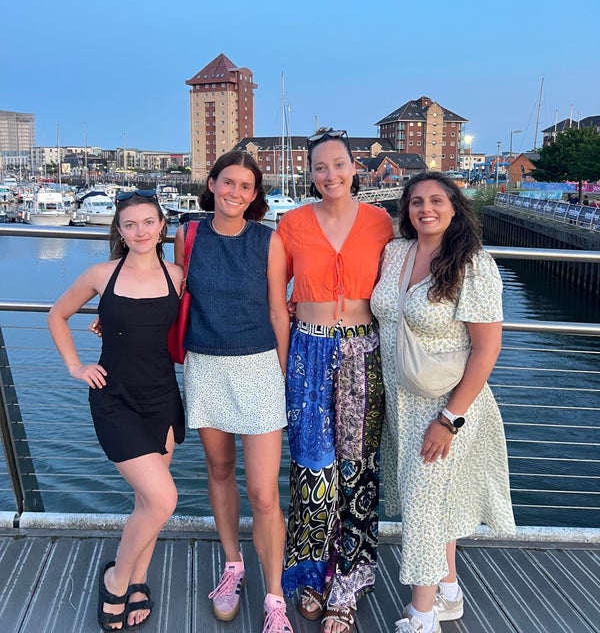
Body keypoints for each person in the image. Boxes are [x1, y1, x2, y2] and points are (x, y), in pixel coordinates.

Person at [370, 172, 515, 633]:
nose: (425, 209)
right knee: (433, 503)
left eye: (436, 200)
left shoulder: (473, 264)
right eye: (416, 201)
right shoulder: (396, 252)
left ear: (455, 207)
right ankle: (449, 593)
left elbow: (487, 349)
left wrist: (450, 419)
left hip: (446, 408)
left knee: (423, 507)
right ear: (406, 210)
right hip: (401, 403)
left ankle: (423, 615)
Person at [48, 190, 185, 631]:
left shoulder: (178, 276)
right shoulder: (101, 275)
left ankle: (139, 578)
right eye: (130, 224)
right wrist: (76, 366)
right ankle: (116, 580)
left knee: (147, 501)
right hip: (115, 398)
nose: (140, 231)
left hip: (162, 397)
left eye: (148, 222)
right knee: (163, 499)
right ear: (120, 231)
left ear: (161, 226)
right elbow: (57, 315)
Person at [277, 129, 394, 633]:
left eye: (339, 164)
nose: (330, 174)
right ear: (309, 173)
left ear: (354, 168)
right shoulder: (291, 224)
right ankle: (311, 573)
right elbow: (273, 297)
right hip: (308, 350)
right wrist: (286, 363)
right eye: (320, 167)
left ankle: (347, 581)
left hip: (364, 353)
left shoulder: (381, 222)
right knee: (312, 470)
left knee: (356, 471)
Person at [174, 150, 293, 633]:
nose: (235, 193)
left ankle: (274, 595)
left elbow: (279, 312)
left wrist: (281, 376)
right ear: (211, 183)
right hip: (205, 365)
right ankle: (232, 566)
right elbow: (170, 292)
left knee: (263, 493)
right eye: (228, 182)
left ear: (255, 194)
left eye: (246, 186)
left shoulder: (268, 241)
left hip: (259, 368)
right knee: (220, 470)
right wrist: (112, 312)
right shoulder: (188, 235)